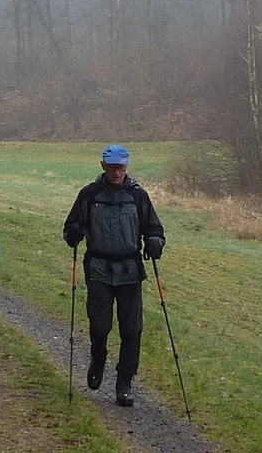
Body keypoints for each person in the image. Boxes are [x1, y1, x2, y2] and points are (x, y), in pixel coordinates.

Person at [63, 144, 165, 408]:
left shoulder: (138, 196)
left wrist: (154, 242)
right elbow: (71, 225)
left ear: (126, 167)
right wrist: (73, 233)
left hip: (130, 271)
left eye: (121, 167)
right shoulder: (89, 195)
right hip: (98, 268)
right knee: (100, 326)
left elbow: (154, 229)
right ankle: (98, 358)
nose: (117, 172)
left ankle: (124, 383)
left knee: (132, 330)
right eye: (112, 167)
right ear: (103, 166)